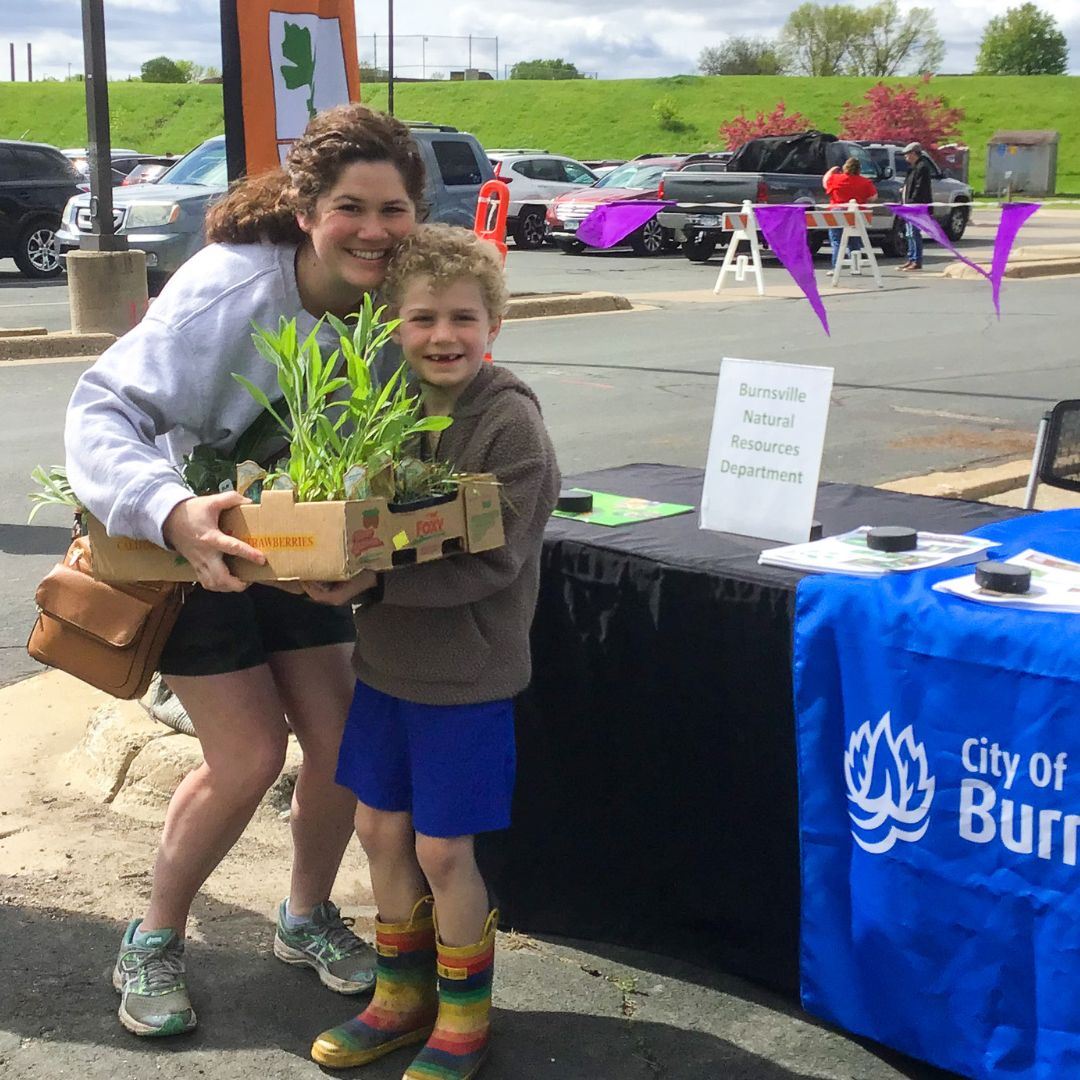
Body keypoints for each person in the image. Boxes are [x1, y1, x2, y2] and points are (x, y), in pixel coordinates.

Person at [63, 103, 426, 1038]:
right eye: (353, 208)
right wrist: (173, 509)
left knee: (344, 747)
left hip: (300, 553)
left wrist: (368, 558)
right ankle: (152, 936)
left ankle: (304, 917)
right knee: (249, 755)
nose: (375, 232)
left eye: (394, 211)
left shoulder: (399, 303)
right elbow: (100, 409)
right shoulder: (229, 288)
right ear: (307, 211)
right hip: (192, 548)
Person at [302, 223, 560, 1079]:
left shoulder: (510, 427)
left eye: (461, 318)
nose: (441, 336)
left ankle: (462, 1014)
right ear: (391, 326)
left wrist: (371, 586)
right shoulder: (385, 412)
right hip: (384, 666)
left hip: (468, 674)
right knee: (378, 829)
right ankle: (399, 996)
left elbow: (496, 559)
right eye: (419, 320)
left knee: (445, 850)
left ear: (495, 326)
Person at [822, 157, 877, 271]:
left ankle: (836, 267)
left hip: (837, 212)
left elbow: (825, 183)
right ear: (859, 169)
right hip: (856, 214)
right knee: (854, 240)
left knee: (837, 241)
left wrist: (831, 170)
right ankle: (855, 267)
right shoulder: (865, 182)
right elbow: (873, 198)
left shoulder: (836, 179)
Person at [900, 141, 934, 271]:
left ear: (914, 153)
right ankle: (911, 258)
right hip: (908, 205)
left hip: (915, 206)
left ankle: (917, 260)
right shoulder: (912, 168)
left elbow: (920, 188)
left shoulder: (922, 167)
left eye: (907, 154)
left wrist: (912, 201)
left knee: (914, 233)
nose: (905, 157)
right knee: (909, 233)